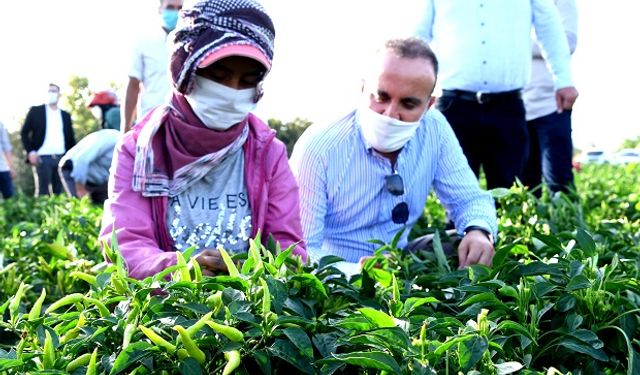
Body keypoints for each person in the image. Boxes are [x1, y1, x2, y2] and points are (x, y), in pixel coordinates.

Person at [100, 0, 307, 280]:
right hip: (161, 313)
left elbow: (288, 250)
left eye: (247, 80)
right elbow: (125, 246)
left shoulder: (267, 152)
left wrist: (250, 275)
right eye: (219, 76)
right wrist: (179, 269)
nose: (232, 91)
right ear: (184, 69)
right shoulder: (139, 150)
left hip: (246, 312)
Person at [290, 37, 497, 273]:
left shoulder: (434, 129)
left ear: (428, 105)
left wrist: (479, 230)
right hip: (335, 271)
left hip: (399, 259)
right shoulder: (321, 147)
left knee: (468, 246)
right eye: (381, 97)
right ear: (362, 89)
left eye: (408, 104)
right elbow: (299, 249)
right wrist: (355, 272)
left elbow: (469, 199)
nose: (390, 114)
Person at [415, 1, 579, 190]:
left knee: (509, 193)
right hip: (455, 107)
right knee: (455, 192)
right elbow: (419, 35)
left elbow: (548, 26)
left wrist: (563, 79)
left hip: (507, 107)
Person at [522, 0, 578, 196]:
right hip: (516, 105)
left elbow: (567, 41)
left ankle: (569, 226)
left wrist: (513, 44)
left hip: (551, 103)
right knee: (524, 186)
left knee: (559, 180)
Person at [121, 0, 184, 133]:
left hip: (183, 124)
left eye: (180, 8)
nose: (175, 12)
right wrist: (126, 128)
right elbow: (133, 85)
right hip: (149, 123)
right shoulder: (144, 41)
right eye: (170, 7)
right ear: (160, 9)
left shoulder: (192, 42)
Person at [20, 83, 76, 196]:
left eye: (54, 91)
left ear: (59, 95)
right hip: (42, 157)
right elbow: (24, 133)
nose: (51, 94)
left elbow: (70, 139)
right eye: (49, 91)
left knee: (59, 193)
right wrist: (31, 152)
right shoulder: (36, 111)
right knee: (42, 192)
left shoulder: (65, 115)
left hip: (61, 157)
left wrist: (72, 157)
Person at [59, 129, 119, 205]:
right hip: (74, 170)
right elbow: (81, 160)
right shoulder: (112, 139)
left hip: (98, 180)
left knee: (105, 206)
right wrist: (80, 189)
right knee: (80, 206)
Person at [0, 120, 16, 199]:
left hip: (2, 169)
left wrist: (11, 167)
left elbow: (6, 147)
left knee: (10, 201)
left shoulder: (0, 125)